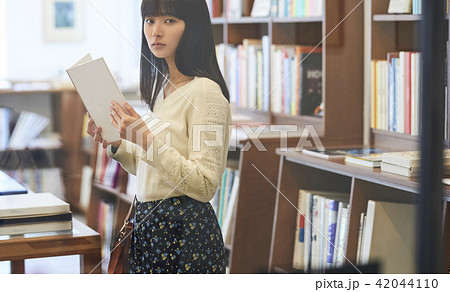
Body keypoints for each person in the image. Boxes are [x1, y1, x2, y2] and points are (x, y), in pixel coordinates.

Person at [86, 0, 231, 274]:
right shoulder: (162, 89)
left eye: (169, 20)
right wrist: (117, 141)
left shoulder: (206, 93)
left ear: (193, 27)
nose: (156, 31)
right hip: (149, 227)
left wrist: (145, 139)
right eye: (150, 21)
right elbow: (150, 168)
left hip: (185, 233)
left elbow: (204, 184)